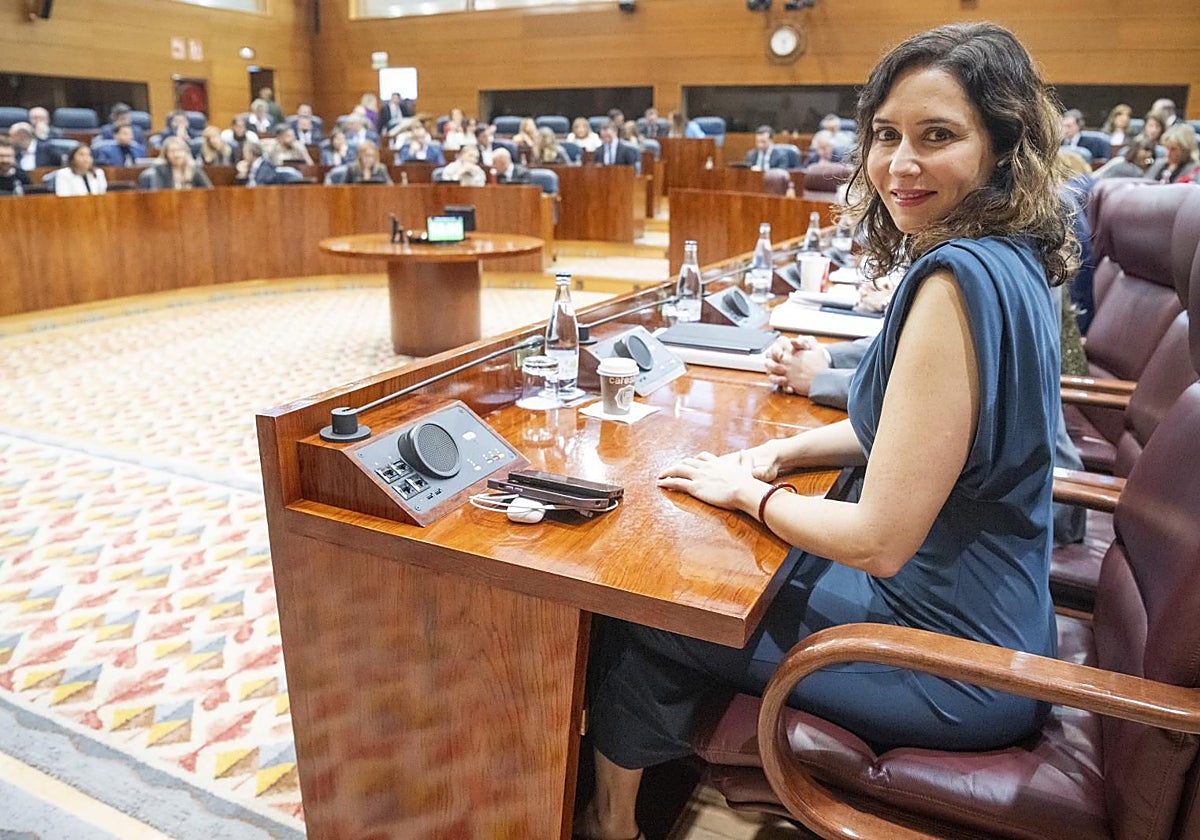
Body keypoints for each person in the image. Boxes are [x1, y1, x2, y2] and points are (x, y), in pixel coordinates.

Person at [581, 23, 1074, 840]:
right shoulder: (1010, 256)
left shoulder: (954, 282)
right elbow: (921, 435)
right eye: (886, 135)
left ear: (1002, 145)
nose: (900, 163)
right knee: (714, 574)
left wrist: (750, 494)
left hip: (952, 662)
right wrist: (782, 450)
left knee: (655, 608)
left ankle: (611, 823)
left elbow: (878, 541)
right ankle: (638, 800)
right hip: (999, 618)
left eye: (937, 136)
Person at [141, 136, 212, 190]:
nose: (176, 155)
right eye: (172, 151)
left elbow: (209, 190)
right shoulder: (160, 169)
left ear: (186, 152)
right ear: (166, 154)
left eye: (179, 150)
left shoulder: (194, 167)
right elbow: (157, 193)